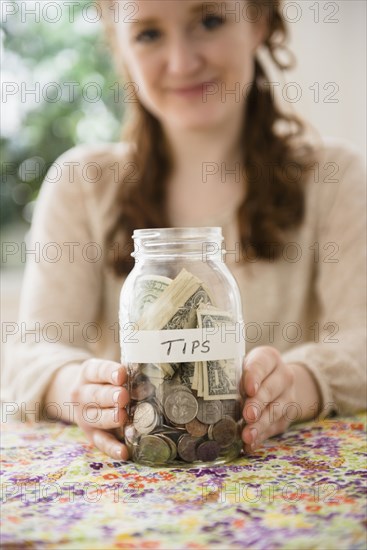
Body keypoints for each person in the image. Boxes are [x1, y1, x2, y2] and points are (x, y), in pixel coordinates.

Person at [3, 0, 366, 462]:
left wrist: (299, 383)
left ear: (258, 20)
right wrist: (77, 390)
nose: (182, 62)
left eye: (210, 21)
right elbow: (30, 352)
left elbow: (361, 338)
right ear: (119, 42)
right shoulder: (81, 184)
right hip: (137, 496)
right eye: (149, 34)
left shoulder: (332, 176)